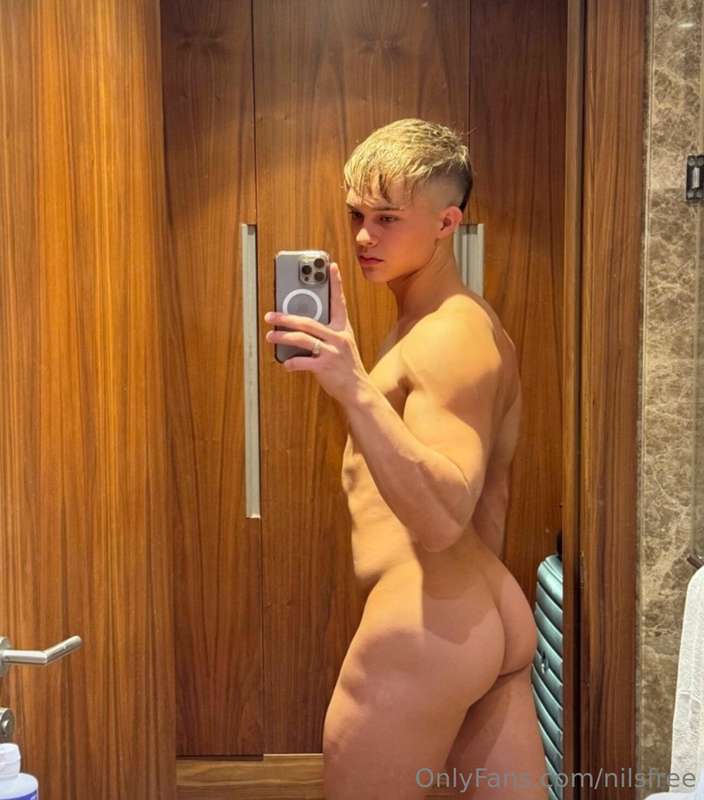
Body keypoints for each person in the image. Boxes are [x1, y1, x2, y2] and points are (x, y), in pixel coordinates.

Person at [263, 118, 547, 799]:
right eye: (357, 215)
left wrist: (352, 385)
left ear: (448, 223)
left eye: (388, 218)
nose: (364, 236)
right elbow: (488, 505)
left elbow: (444, 517)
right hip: (475, 614)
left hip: (426, 624)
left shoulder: (450, 337)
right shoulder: (437, 324)